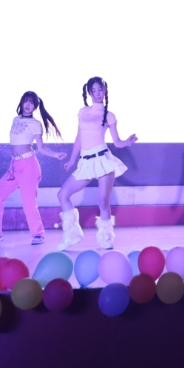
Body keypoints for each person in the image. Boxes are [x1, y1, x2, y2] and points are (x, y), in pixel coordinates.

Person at [57, 77, 138, 251]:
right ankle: (72, 234)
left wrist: (128, 142)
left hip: (102, 160)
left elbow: (117, 142)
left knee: (102, 201)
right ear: (89, 92)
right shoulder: (83, 112)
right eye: (93, 90)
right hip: (85, 161)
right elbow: (79, 138)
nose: (97, 93)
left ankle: (106, 239)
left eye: (100, 89)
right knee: (63, 194)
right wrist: (72, 160)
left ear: (105, 90)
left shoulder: (109, 115)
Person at [0, 92, 67, 247]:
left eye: (31, 103)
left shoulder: (36, 124)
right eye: (25, 101)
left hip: (29, 166)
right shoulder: (16, 119)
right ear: (21, 103)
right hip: (14, 166)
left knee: (28, 202)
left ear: (35, 106)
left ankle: (38, 234)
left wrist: (55, 155)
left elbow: (41, 148)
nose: (28, 105)